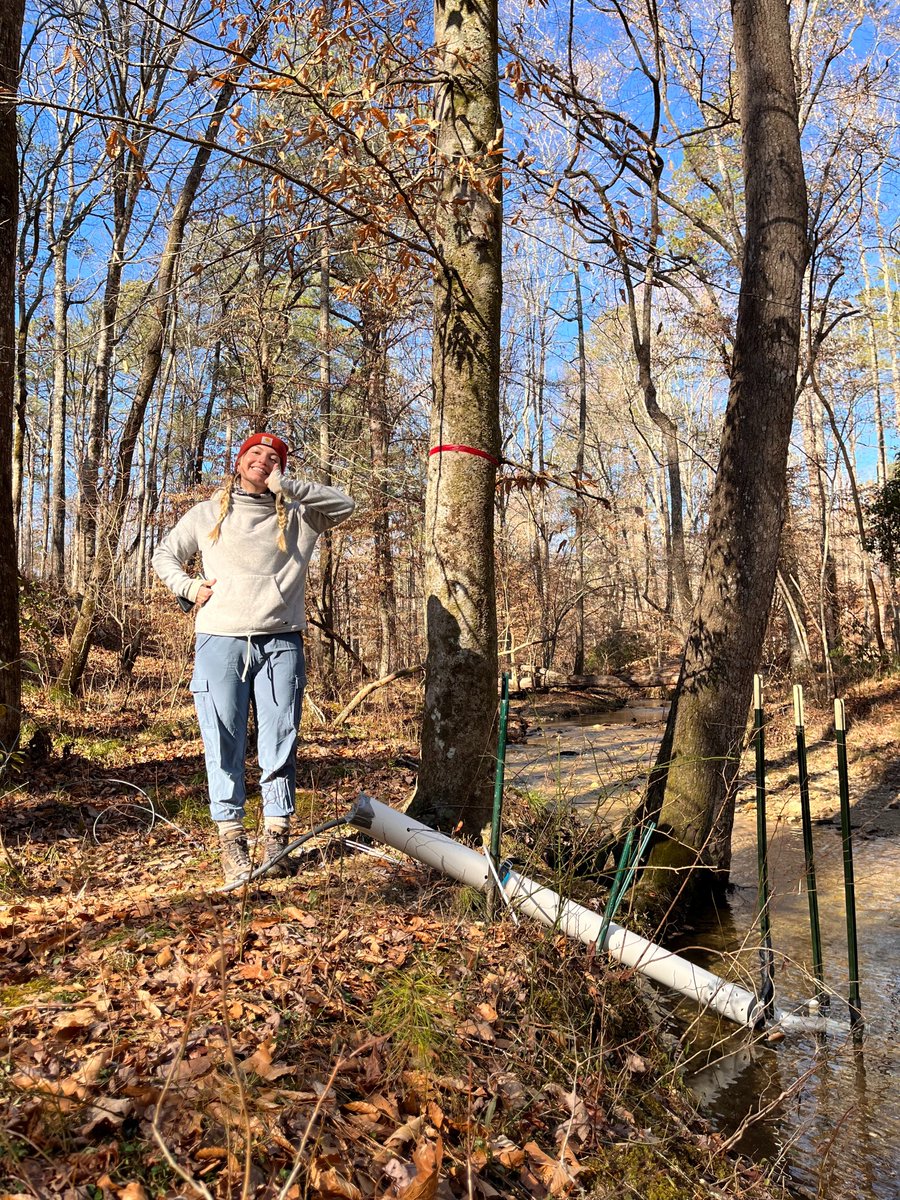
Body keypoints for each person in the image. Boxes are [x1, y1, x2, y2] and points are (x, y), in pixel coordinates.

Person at [152, 432, 354, 885]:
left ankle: (277, 836)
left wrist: (290, 488)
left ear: (281, 467)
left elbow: (346, 504)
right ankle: (231, 840)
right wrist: (188, 588)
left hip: (280, 640)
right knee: (222, 740)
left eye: (273, 457)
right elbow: (164, 554)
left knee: (279, 741)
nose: (262, 461)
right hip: (219, 640)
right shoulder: (207, 513)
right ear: (239, 461)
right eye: (254, 454)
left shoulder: (301, 515)